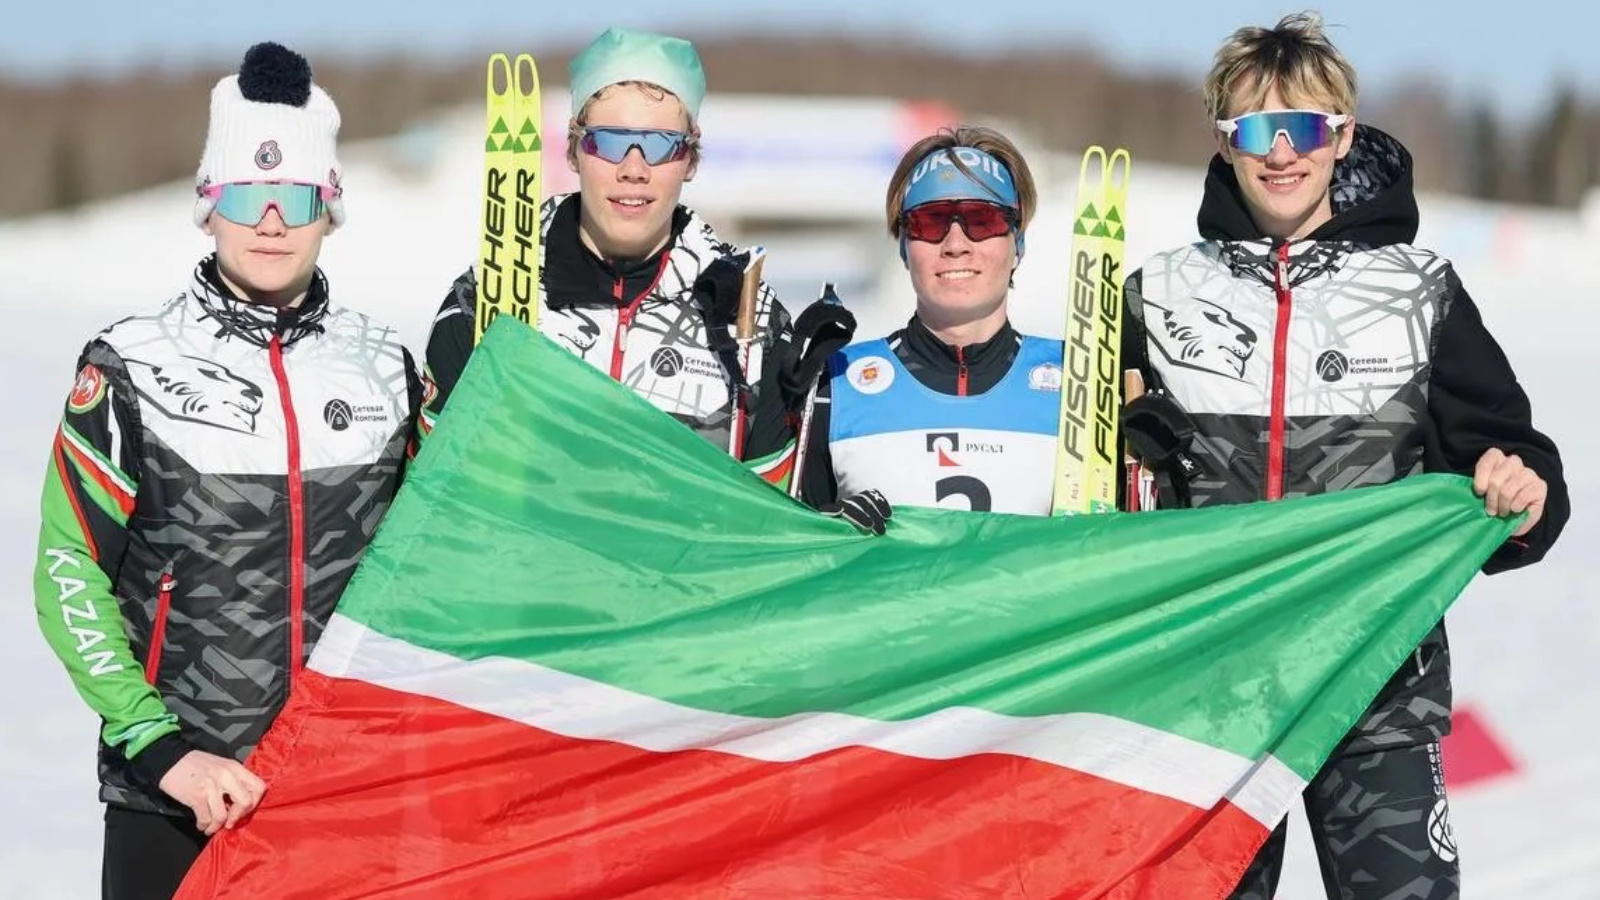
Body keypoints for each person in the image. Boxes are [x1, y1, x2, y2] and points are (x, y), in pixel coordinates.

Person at [1119, 13, 1569, 900]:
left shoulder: (1420, 291)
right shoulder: (1156, 295)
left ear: (1344, 134)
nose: (1283, 153)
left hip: (1377, 692)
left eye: (1304, 127)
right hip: (1207, 696)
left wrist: (1521, 492)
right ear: (1224, 139)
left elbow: (1517, 459)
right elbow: (1094, 484)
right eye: (1258, 129)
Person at [31, 43, 420, 900]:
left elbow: (447, 558)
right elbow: (67, 570)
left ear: (330, 209)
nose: (271, 221)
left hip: (346, 797)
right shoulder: (130, 366)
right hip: (176, 799)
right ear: (209, 206)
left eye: (296, 196)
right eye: (247, 193)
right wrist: (159, 748)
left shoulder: (388, 369)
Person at [421, 28, 817, 491]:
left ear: (690, 159)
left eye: (661, 143)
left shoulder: (749, 317)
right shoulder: (484, 298)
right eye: (609, 141)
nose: (633, 169)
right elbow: (432, 503)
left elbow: (770, 520)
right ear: (574, 151)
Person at [795, 125, 1057, 518]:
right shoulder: (836, 384)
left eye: (981, 220)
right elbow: (783, 537)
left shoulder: (1083, 386)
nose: (955, 245)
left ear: (1017, 243)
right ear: (904, 246)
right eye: (930, 223)